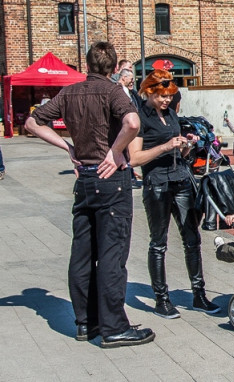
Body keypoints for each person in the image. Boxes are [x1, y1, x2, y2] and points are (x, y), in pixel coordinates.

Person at [24, 41, 154, 348]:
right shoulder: (113, 91)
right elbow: (133, 123)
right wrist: (115, 150)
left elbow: (32, 122)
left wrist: (67, 146)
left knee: (83, 252)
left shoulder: (70, 92)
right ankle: (114, 327)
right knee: (112, 254)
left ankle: (85, 322)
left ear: (88, 65)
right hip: (110, 179)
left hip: (84, 178)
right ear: (112, 68)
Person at [127, 69, 220, 319]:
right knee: (158, 243)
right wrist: (165, 146)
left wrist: (186, 146)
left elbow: (181, 153)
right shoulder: (139, 118)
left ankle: (199, 294)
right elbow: (135, 158)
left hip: (181, 180)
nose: (166, 100)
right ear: (148, 91)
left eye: (169, 96)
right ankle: (161, 299)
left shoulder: (171, 115)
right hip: (156, 184)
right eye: (161, 96)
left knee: (192, 238)